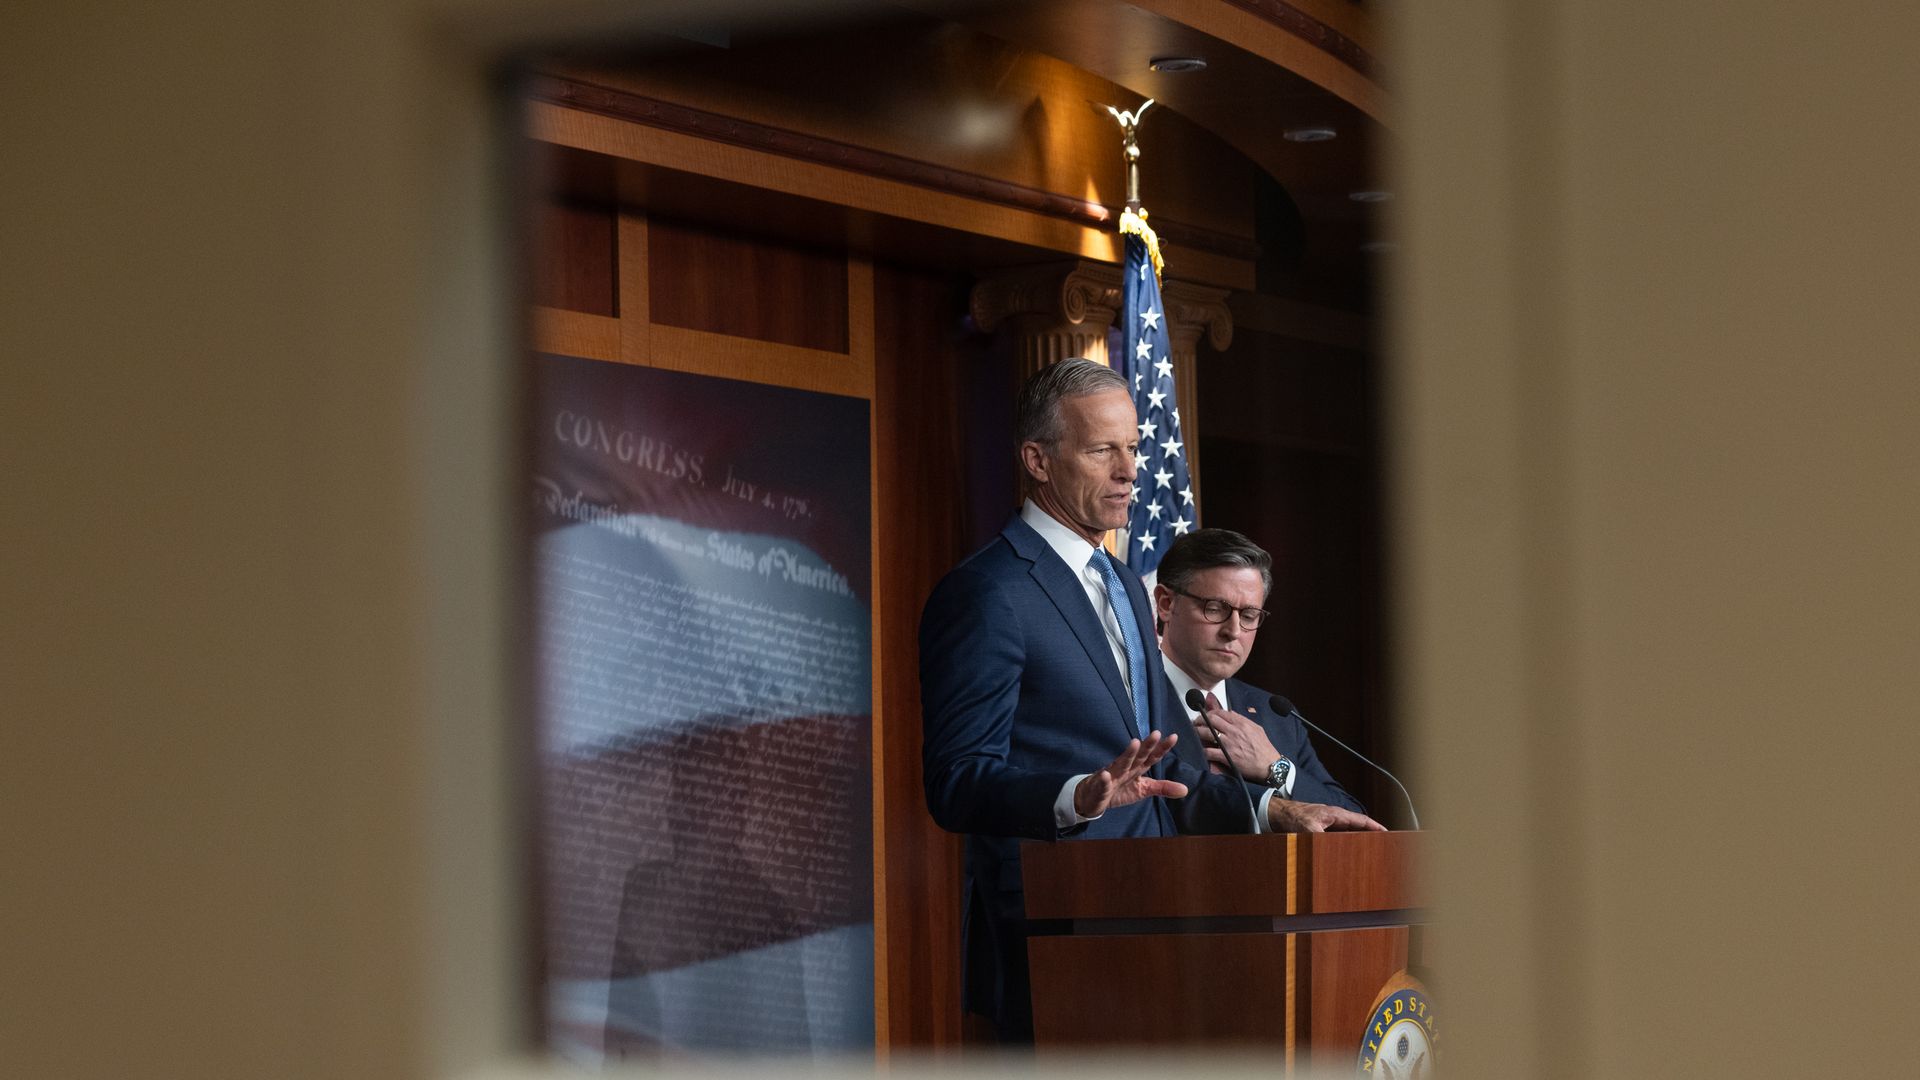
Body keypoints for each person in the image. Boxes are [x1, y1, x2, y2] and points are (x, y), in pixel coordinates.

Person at [918, 359, 1348, 1043]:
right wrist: (1076, 797)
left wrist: (1279, 808)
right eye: (1102, 450)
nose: (1128, 471)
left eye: (1134, 449)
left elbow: (1175, 782)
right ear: (1037, 459)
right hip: (1052, 933)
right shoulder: (988, 592)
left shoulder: (1124, 582)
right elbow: (956, 780)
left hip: (1160, 925)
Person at [1153, 528, 1385, 832]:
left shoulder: (1275, 714)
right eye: (1215, 608)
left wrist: (1275, 767)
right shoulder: (1129, 696)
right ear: (1166, 604)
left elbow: (1352, 823)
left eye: (1248, 615)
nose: (1233, 631)